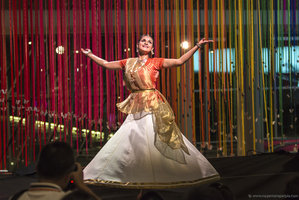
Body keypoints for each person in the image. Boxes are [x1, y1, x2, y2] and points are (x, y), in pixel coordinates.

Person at [81, 34, 220, 188]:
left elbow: (180, 61)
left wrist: (197, 46)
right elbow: (106, 64)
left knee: (154, 137)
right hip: (136, 104)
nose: (146, 43)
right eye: (143, 41)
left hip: (152, 103)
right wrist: (90, 54)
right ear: (137, 45)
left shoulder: (156, 62)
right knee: (130, 140)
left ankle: (182, 172)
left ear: (152, 49)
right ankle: (132, 173)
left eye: (149, 42)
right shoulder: (127, 62)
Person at [10, 142, 101, 200]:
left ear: (37, 169)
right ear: (69, 175)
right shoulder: (69, 198)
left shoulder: (16, 197)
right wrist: (82, 186)